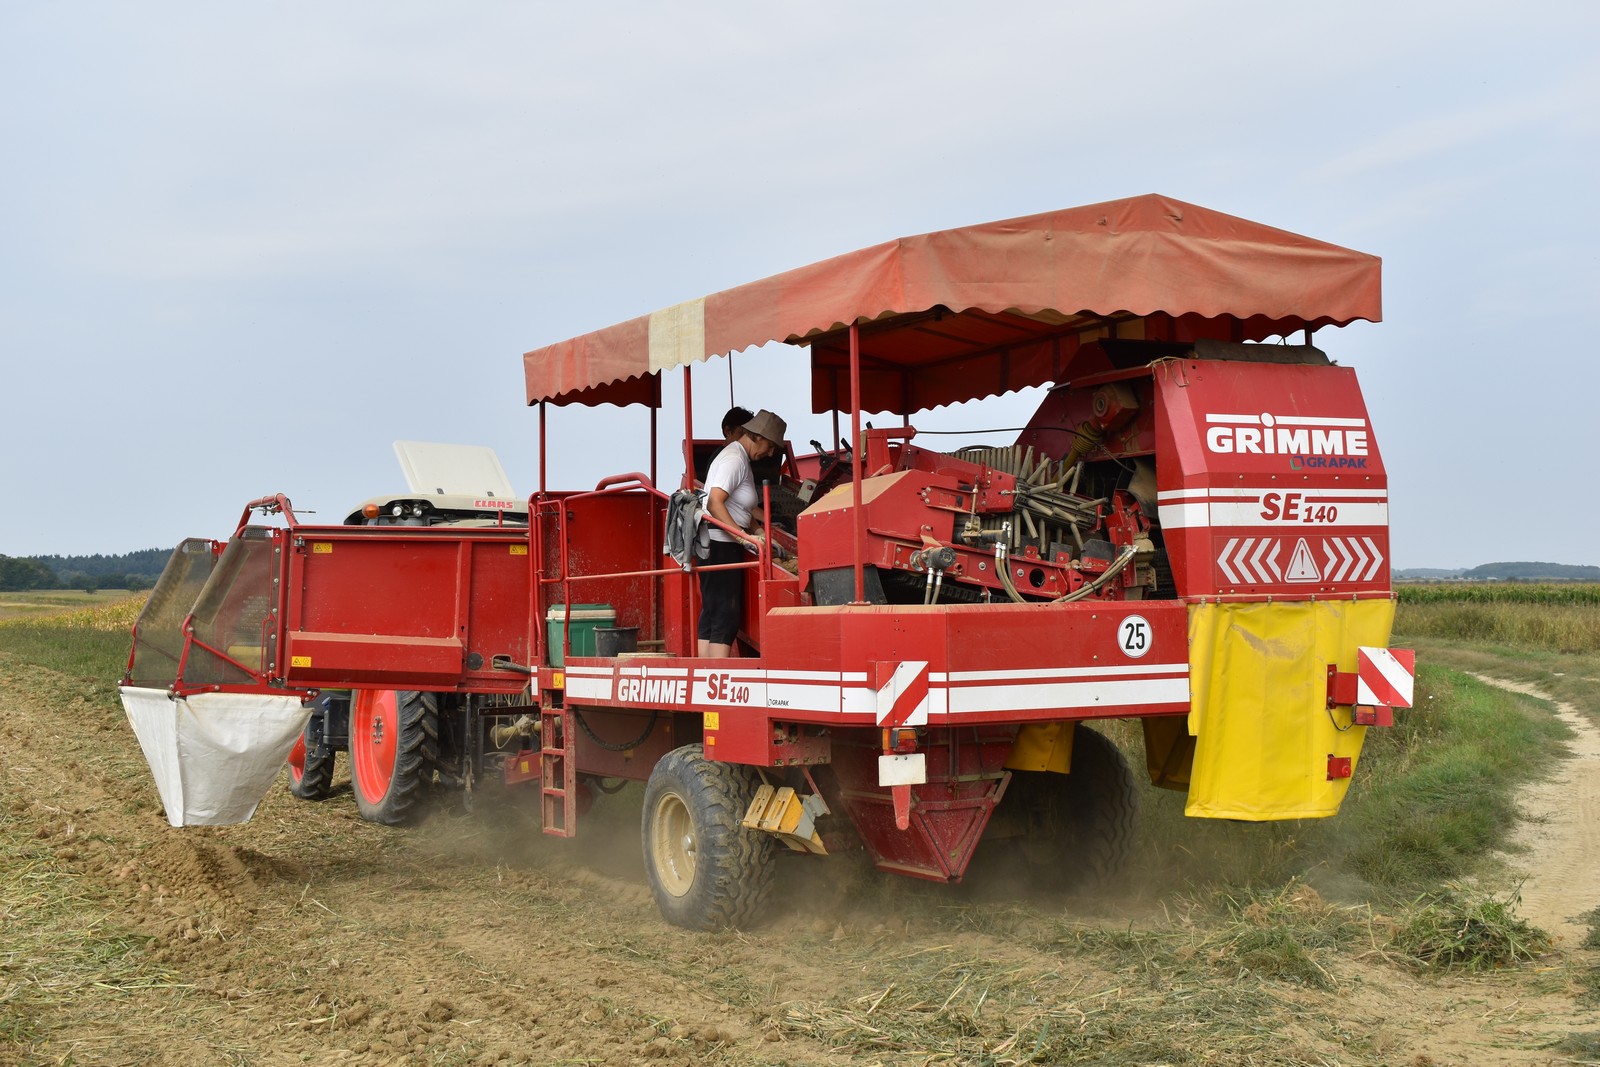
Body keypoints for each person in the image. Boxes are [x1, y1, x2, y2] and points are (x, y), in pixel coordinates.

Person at [699, 408, 786, 657]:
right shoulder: (734, 460)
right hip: (721, 545)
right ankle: (717, 681)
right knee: (725, 616)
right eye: (770, 446)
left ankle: (706, 678)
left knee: (712, 613)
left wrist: (758, 528)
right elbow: (715, 502)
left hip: (716, 544)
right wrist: (743, 537)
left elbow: (739, 506)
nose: (770, 453)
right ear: (757, 436)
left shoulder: (738, 457)